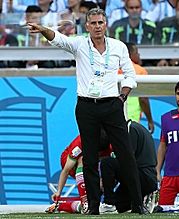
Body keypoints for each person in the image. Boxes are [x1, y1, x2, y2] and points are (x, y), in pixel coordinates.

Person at [27, 8, 145, 215]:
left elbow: (129, 74)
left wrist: (122, 97)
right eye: (94, 23)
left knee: (126, 155)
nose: (98, 26)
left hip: (112, 105)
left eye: (101, 22)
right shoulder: (80, 43)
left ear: (106, 24)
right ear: (87, 26)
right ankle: (93, 207)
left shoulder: (118, 46)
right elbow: (59, 39)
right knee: (89, 158)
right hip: (87, 106)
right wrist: (43, 29)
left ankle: (137, 204)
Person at [45, 132, 112, 214]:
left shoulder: (109, 144)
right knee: (83, 159)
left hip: (93, 163)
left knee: (100, 185)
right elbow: (66, 170)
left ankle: (60, 205)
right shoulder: (79, 144)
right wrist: (58, 192)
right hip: (69, 161)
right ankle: (85, 202)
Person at [101, 120, 157, 213]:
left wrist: (107, 180)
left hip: (143, 176)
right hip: (141, 177)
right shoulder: (133, 128)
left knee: (107, 163)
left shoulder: (131, 129)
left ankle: (109, 204)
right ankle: (143, 198)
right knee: (120, 206)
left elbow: (128, 161)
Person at [123, 42, 154, 133]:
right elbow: (143, 99)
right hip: (131, 118)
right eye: (136, 52)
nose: (139, 54)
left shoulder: (113, 69)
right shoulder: (139, 71)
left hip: (113, 118)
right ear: (129, 55)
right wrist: (150, 120)